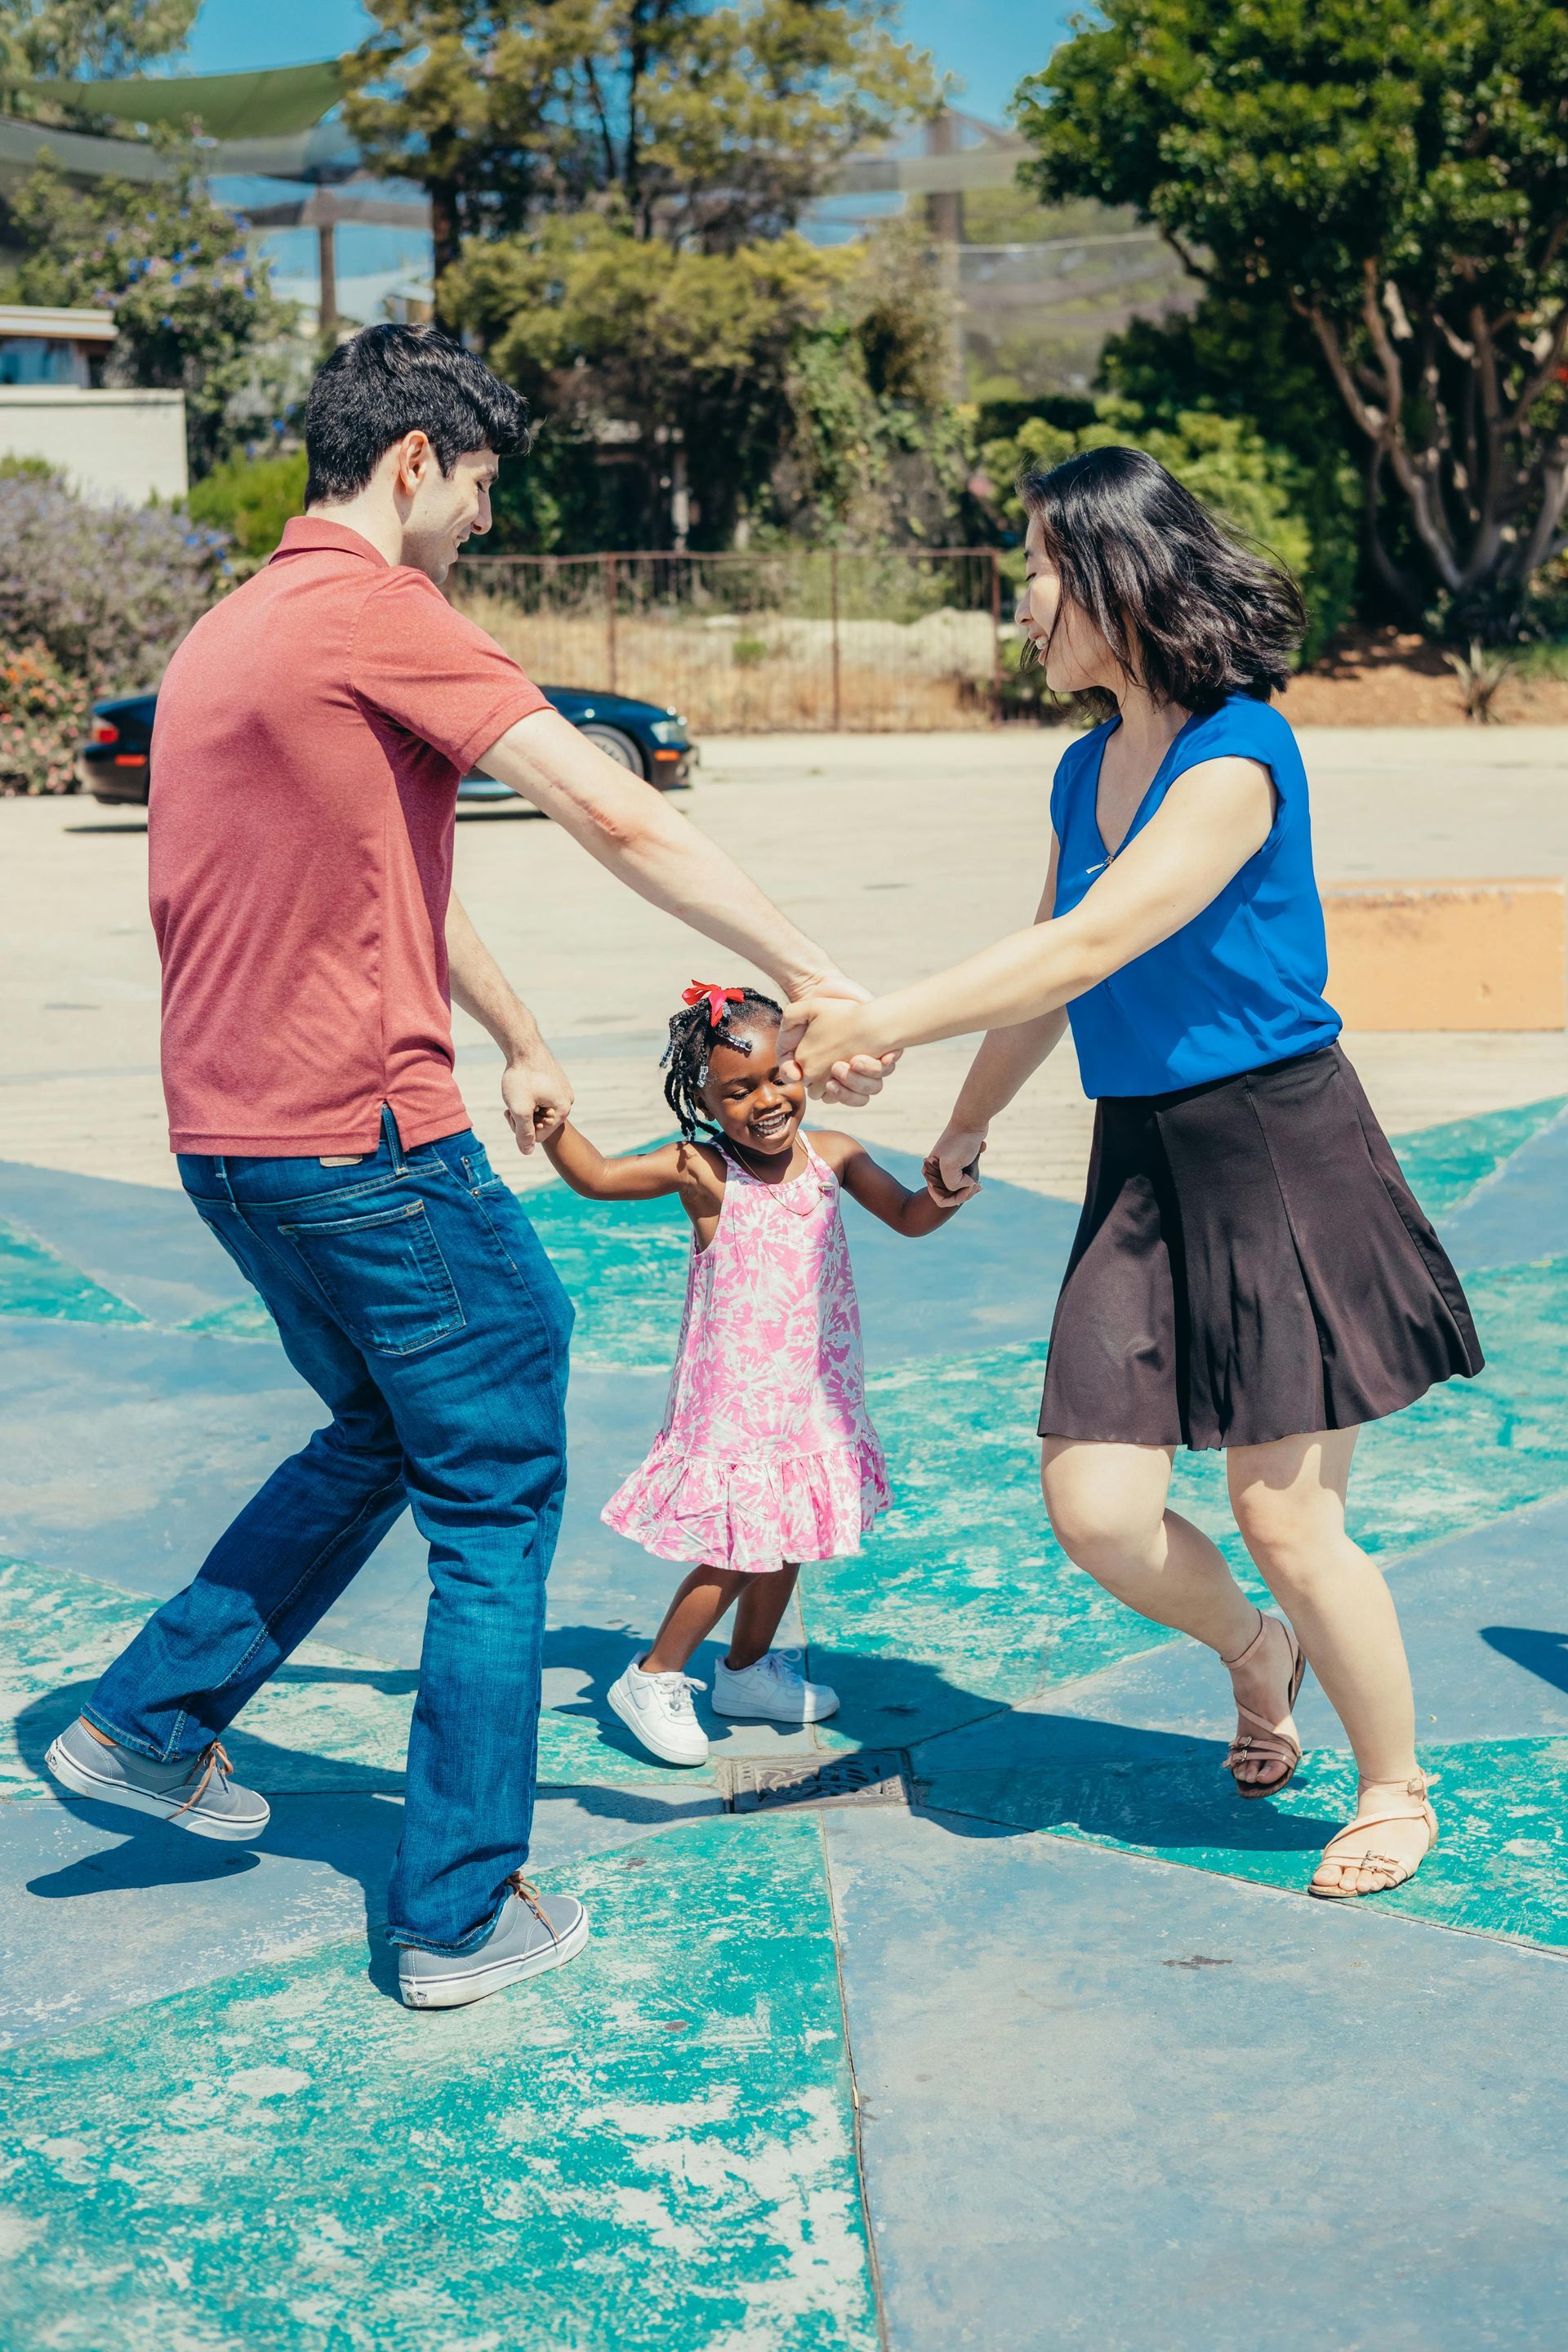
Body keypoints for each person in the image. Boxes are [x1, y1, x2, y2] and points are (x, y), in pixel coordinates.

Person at [45, 324, 891, 2012]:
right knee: (496, 1480)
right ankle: (455, 1911)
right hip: (362, 1136)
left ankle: (147, 1724)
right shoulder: (380, 610)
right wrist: (819, 975)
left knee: (380, 1425)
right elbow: (617, 813)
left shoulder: (233, 630)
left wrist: (511, 1031)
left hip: (233, 1144)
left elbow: (388, 881)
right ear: (415, 460)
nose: (483, 527)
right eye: (483, 487)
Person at [782, 445, 1482, 1902]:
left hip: (1283, 1152)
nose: (1020, 606)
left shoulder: (1239, 752)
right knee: (1097, 1507)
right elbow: (1051, 972)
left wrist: (883, 1021)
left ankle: (1396, 1784)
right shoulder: (1081, 764)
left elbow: (1096, 947)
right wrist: (963, 1120)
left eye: (1036, 570)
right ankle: (1253, 1651)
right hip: (1145, 1162)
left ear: (1115, 575)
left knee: (1285, 1515)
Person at [541, 982, 964, 1766]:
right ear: (703, 1098)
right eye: (738, 1090)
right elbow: (596, 1177)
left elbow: (909, 1216)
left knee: (792, 1530)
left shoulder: (832, 1155)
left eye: (781, 1076)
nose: (766, 1099)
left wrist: (945, 1190)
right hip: (734, 1401)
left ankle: (745, 1672)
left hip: (816, 1395)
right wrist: (554, 1124)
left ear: (803, 1067)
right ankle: (653, 1674)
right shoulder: (701, 1170)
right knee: (742, 1545)